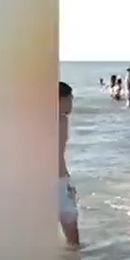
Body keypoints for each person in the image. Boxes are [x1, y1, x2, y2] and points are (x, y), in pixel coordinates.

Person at [59, 82, 80, 247]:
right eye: (70, 98)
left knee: (72, 234)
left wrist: (67, 180)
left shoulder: (62, 120)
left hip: (60, 179)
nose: (72, 101)